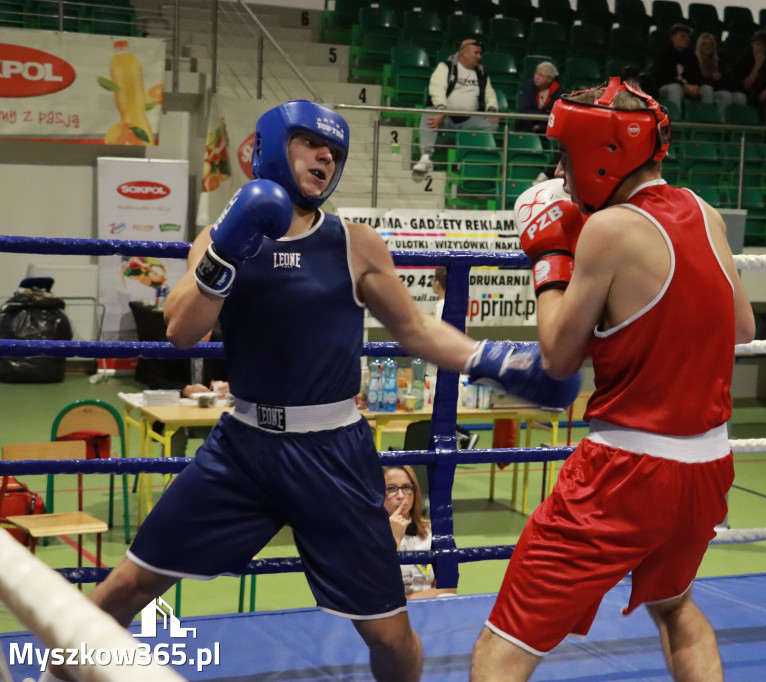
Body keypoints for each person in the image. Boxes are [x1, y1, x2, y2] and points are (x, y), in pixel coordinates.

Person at [43, 99, 580, 682]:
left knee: (389, 634)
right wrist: (229, 248)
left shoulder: (354, 243)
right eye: (310, 142)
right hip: (241, 449)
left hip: (333, 454)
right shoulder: (219, 236)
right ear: (273, 147)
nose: (326, 156)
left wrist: (491, 357)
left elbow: (415, 328)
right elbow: (180, 330)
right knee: (130, 583)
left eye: (336, 152)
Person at [469, 79, 755, 680]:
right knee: (675, 607)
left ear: (604, 153)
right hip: (706, 468)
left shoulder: (608, 231)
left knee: (505, 640)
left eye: (567, 156)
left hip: (624, 475)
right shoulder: (704, 213)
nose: (563, 172)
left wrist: (550, 257)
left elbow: (557, 357)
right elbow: (744, 328)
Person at [412, 38, 499, 180]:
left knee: (491, 124)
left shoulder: (481, 73)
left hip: (469, 121)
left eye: (480, 53)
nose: (479, 57)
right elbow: (437, 89)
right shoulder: (446, 67)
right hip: (446, 117)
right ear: (463, 52)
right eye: (476, 53)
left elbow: (490, 94)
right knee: (429, 113)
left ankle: (464, 160)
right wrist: (441, 110)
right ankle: (426, 157)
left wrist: (492, 110)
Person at [383, 465, 454, 599]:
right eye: (391, 489)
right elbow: (383, 592)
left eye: (406, 487)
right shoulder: (364, 536)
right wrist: (394, 541)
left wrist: (405, 602)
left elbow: (448, 589)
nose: (400, 496)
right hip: (388, 618)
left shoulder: (433, 531)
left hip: (429, 611)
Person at [651, 23, 703, 113]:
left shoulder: (691, 56)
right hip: (666, 88)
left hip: (688, 88)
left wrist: (695, 86)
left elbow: (697, 75)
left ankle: (703, 118)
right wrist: (684, 86)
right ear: (673, 38)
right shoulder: (664, 54)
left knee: (706, 89)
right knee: (675, 88)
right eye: (683, 37)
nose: (687, 39)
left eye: (688, 37)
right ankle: (675, 117)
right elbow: (663, 77)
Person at [693, 32, 747, 115]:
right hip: (703, 89)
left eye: (710, 44)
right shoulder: (694, 60)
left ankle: (735, 123)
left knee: (740, 97)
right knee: (724, 95)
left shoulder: (720, 60)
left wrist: (721, 77)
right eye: (705, 44)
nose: (708, 46)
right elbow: (696, 79)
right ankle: (715, 119)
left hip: (719, 88)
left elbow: (729, 78)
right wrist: (711, 77)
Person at [731, 30, 766, 109]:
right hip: (747, 92)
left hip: (765, 92)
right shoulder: (743, 60)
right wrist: (757, 66)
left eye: (764, 46)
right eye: (758, 44)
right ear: (752, 44)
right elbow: (745, 85)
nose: (760, 48)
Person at [516, 61, 563, 133]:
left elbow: (556, 115)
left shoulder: (559, 92)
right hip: (529, 125)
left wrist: (541, 127)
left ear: (550, 79)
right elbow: (524, 109)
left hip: (547, 127)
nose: (536, 77)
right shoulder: (528, 86)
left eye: (541, 75)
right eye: (536, 73)